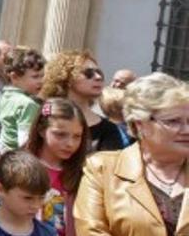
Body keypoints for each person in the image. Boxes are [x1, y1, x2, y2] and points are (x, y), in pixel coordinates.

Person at [74, 72, 189, 235]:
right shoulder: (102, 169)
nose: (186, 130)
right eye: (173, 121)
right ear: (140, 124)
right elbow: (91, 231)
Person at [25, 98, 89, 236]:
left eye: (77, 136)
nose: (70, 144)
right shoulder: (21, 168)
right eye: (60, 134)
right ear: (41, 130)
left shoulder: (84, 172)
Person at [41, 51, 125, 152]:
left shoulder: (109, 129)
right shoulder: (44, 115)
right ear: (66, 77)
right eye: (88, 73)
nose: (98, 77)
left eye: (100, 73)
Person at [0, 47, 46, 154]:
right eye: (35, 76)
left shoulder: (3, 97)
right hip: (19, 159)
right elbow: (25, 140)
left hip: (3, 154)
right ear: (14, 77)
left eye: (42, 76)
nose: (41, 81)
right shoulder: (28, 104)